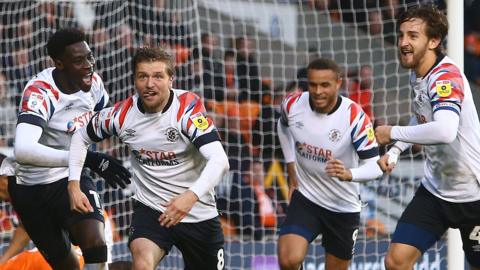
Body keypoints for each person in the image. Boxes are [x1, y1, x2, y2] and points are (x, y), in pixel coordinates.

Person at [68, 46, 230, 270]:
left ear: (171, 79)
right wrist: (73, 185)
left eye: (158, 76)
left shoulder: (187, 110)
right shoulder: (122, 115)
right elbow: (80, 136)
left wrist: (189, 197)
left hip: (198, 213)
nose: (149, 83)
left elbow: (220, 161)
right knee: (142, 265)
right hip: (153, 210)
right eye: (143, 76)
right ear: (134, 80)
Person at [10, 28, 131, 270]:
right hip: (31, 188)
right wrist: (86, 158)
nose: (88, 65)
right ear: (59, 64)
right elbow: (23, 151)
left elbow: (103, 122)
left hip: (70, 178)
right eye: (78, 60)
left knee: (95, 243)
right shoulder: (40, 92)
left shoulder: (94, 84)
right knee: (69, 267)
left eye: (90, 57)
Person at [374, 5, 480, 270]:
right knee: (396, 261)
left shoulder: (445, 77)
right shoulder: (419, 73)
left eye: (412, 36)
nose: (403, 43)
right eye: (401, 35)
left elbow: (444, 130)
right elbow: (423, 117)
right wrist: (397, 149)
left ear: (434, 41)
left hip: (473, 194)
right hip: (435, 192)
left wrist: (392, 133)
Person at [276, 58, 383, 270]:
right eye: (313, 84)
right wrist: (290, 165)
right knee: (288, 259)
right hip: (307, 198)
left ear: (338, 83)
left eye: (325, 85)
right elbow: (283, 126)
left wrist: (349, 174)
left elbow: (376, 166)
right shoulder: (293, 105)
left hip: (342, 206)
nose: (318, 91)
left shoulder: (354, 117)